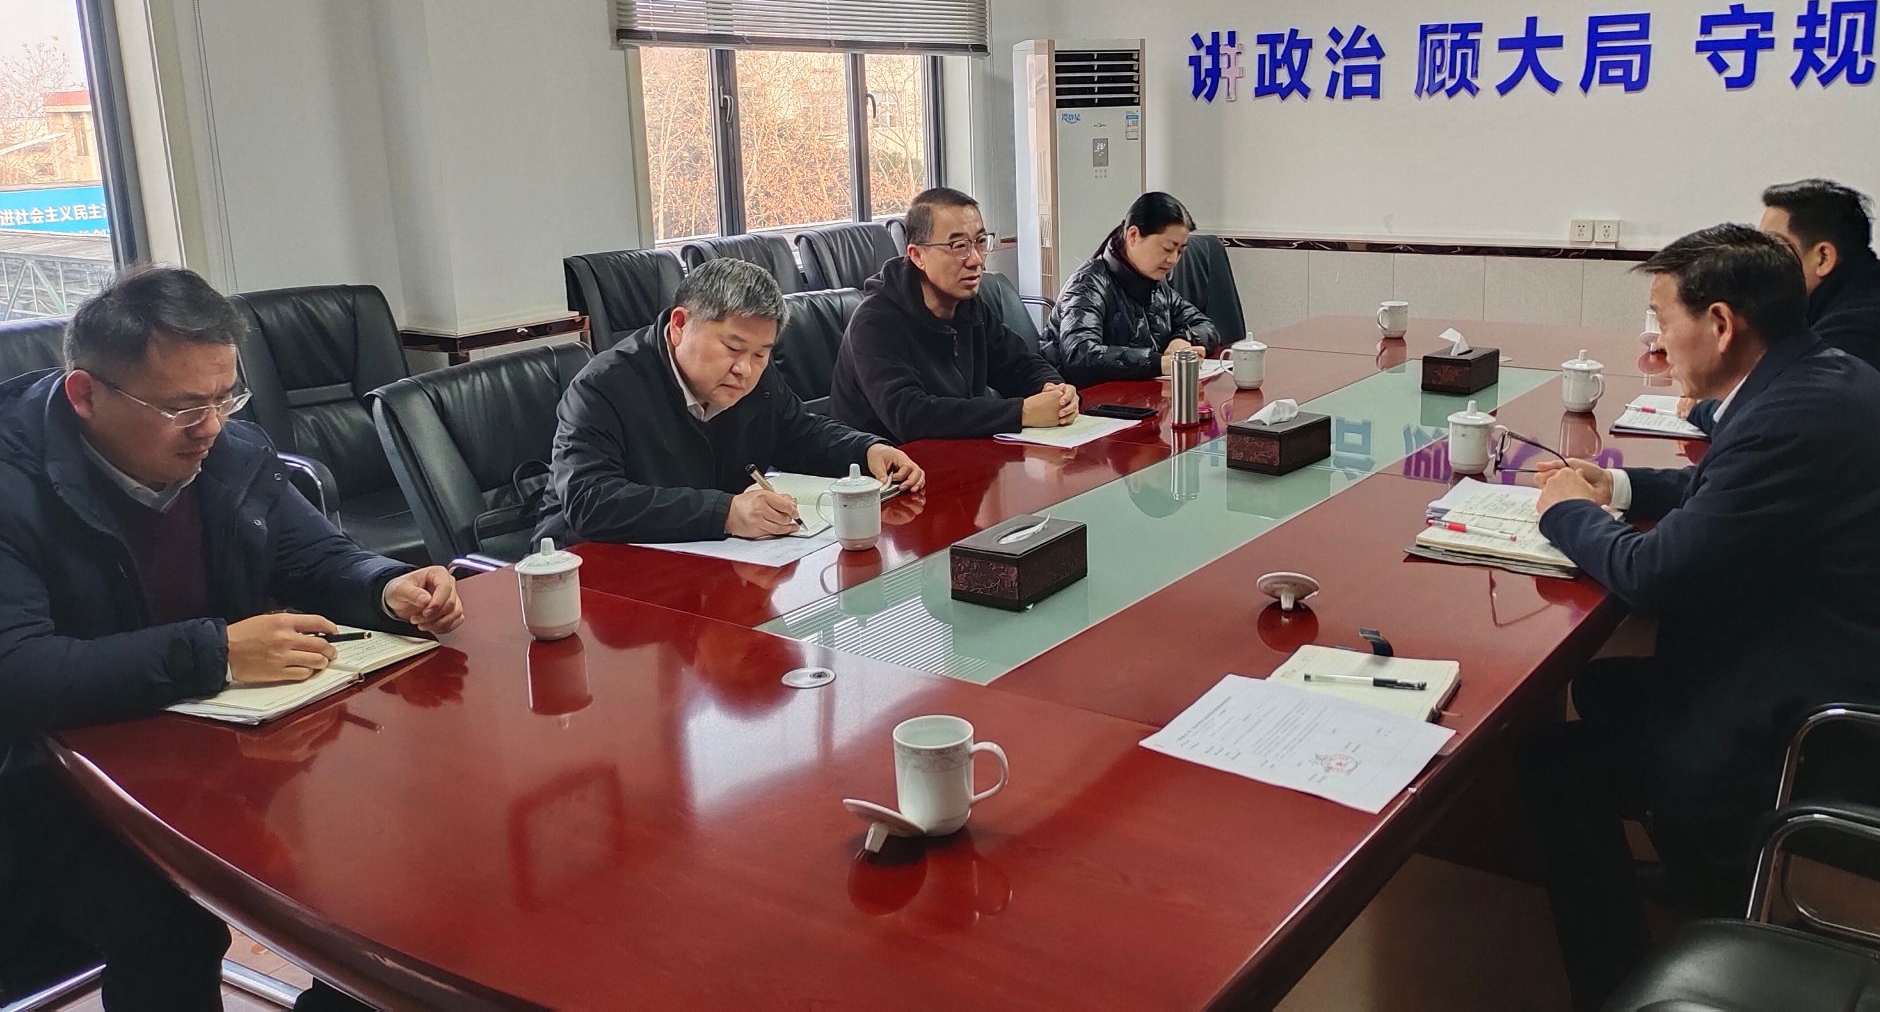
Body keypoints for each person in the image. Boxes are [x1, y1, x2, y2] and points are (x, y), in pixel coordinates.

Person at [1517, 225, 1880, 1011]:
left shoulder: (1789, 417)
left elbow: (1654, 577)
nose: (1656, 342)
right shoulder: (1813, 378)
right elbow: (1727, 490)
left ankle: (1620, 977)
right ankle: (1696, 870)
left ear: (1721, 323)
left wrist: (1563, 512)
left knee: (1553, 762)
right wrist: (1618, 488)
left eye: (1663, 319)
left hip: (1837, 733)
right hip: (1858, 667)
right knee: (1607, 689)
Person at [0, 266, 463, 1012]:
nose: (211, 426)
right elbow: (18, 672)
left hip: (216, 750)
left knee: (381, 868)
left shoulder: (231, 452)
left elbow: (314, 558)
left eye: (226, 397)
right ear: (85, 395)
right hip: (55, 782)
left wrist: (386, 585)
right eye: (183, 407)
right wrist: (216, 653)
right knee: (167, 924)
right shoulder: (12, 482)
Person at [536, 257, 924, 546]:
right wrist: (725, 513)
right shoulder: (603, 387)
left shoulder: (754, 377)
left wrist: (866, 450)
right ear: (679, 325)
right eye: (732, 348)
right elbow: (590, 501)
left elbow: (797, 432)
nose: (745, 369)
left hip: (701, 558)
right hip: (594, 572)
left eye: (761, 354)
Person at [1686, 180, 1880, 532]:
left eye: (1775, 249)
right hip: (1878, 509)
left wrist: (1703, 407)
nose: (1763, 264)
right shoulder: (1871, 293)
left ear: (1823, 257)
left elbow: (1763, 423)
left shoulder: (1861, 327)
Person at [830, 187, 1078, 442]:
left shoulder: (968, 305)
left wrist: (1054, 390)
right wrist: (1021, 413)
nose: (976, 260)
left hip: (959, 453)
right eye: (958, 246)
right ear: (917, 255)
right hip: (888, 462)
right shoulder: (874, 323)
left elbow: (1018, 364)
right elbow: (911, 416)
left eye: (980, 242)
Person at [1044, 191, 1222, 386]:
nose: (1173, 260)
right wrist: (1158, 363)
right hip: (1081, 398)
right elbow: (1080, 355)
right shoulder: (1088, 285)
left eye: (1180, 251)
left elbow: (1206, 326)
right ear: (1133, 236)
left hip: (1137, 394)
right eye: (1167, 248)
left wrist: (1182, 339)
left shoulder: (1157, 287)